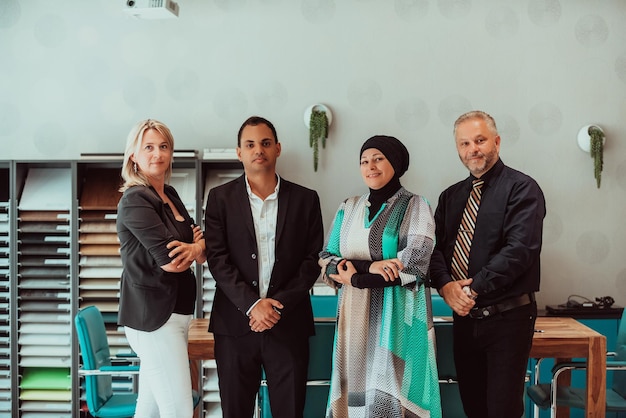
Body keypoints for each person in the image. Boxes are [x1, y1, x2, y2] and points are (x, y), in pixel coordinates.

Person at [204, 116, 324, 418]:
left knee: (290, 411)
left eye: (266, 143)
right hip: (235, 326)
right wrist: (253, 305)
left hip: (289, 324)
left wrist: (275, 306)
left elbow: (312, 262)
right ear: (239, 152)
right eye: (251, 144)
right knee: (236, 411)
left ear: (278, 148)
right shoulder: (219, 199)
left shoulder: (306, 200)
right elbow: (218, 259)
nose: (259, 150)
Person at [430, 110, 546, 418]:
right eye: (465, 143)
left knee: (502, 410)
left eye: (480, 140)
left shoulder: (523, 189)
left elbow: (519, 250)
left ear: (496, 141)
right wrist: (446, 286)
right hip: (466, 321)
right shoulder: (450, 197)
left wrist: (471, 290)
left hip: (508, 318)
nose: (473, 149)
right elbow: (435, 250)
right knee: (474, 407)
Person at [319, 135, 442, 418]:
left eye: (378, 159)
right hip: (354, 321)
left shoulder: (415, 205)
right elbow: (326, 258)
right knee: (355, 398)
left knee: (395, 395)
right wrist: (368, 268)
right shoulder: (347, 207)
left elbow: (414, 261)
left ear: (395, 164)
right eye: (364, 161)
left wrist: (354, 278)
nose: (370, 166)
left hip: (399, 319)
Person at [117, 119, 206, 417]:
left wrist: (194, 248)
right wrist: (194, 249)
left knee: (151, 407)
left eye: (164, 147)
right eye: (149, 147)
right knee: (179, 409)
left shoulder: (170, 194)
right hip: (153, 318)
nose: (158, 154)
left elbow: (198, 244)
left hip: (175, 314)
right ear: (134, 155)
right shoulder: (135, 199)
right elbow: (172, 261)